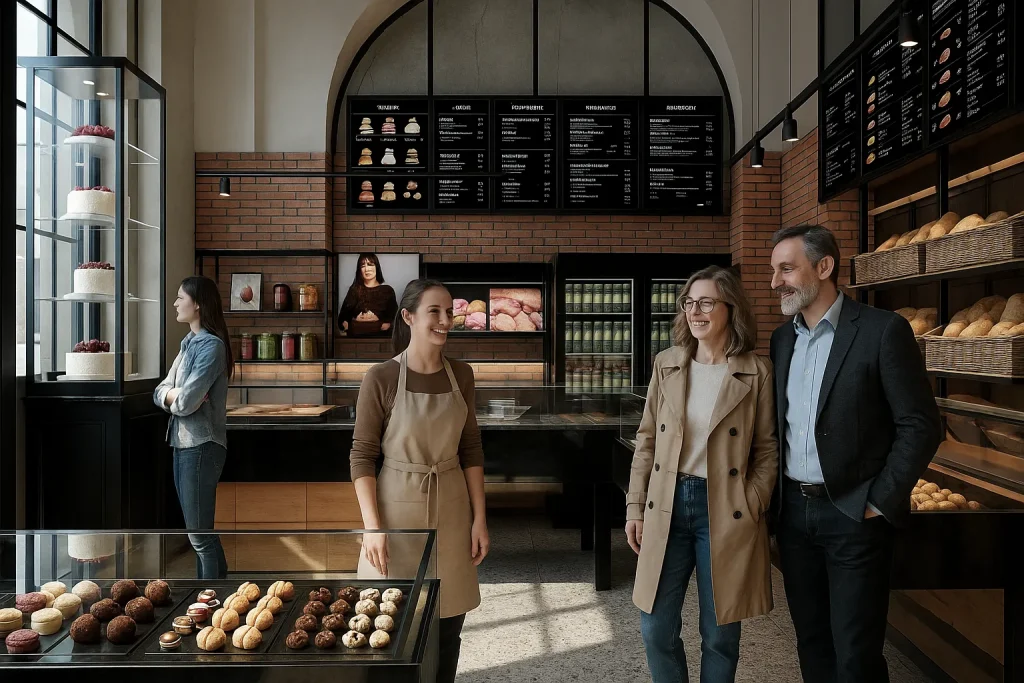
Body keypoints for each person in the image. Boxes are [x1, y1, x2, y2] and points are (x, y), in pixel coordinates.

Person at [768, 225, 942, 683]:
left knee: (856, 653)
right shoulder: (782, 340)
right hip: (793, 516)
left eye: (786, 269)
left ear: (823, 267)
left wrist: (880, 499)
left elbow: (920, 425)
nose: (775, 282)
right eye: (774, 271)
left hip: (853, 514)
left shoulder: (883, 331)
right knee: (811, 642)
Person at [626, 265, 778, 683]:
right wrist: (635, 506)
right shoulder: (667, 364)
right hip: (667, 506)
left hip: (725, 509)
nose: (696, 311)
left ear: (731, 308)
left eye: (707, 302)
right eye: (689, 303)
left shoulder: (756, 370)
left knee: (720, 634)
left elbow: (766, 450)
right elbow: (647, 441)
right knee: (655, 627)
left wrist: (752, 502)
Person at [350, 278, 489, 683]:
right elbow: (361, 457)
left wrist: (479, 519)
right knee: (388, 626)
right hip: (395, 513)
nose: (446, 320)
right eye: (435, 311)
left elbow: (472, 449)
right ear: (408, 317)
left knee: (448, 628)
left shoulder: (462, 375)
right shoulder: (381, 377)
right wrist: (373, 528)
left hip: (451, 509)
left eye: (450, 312)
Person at [154, 275, 233, 580]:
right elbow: (162, 390)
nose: (175, 303)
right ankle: (218, 597)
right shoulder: (188, 344)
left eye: (180, 298)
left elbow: (185, 402)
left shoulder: (210, 347)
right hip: (182, 443)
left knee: (199, 536)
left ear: (197, 304)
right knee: (200, 534)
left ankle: (209, 601)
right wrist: (175, 394)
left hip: (201, 446)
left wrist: (177, 395)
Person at [339, 253, 398, 336]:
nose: (367, 269)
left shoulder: (387, 291)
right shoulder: (354, 290)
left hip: (380, 341)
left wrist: (376, 322)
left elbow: (394, 321)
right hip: (355, 342)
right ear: (359, 270)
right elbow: (342, 322)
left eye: (370, 264)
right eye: (363, 266)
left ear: (377, 267)